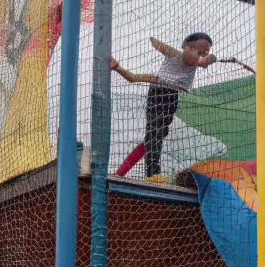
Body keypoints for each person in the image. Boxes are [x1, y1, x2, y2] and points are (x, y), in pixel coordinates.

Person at [108, 35, 253, 181]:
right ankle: (152, 174)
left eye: (204, 53)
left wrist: (208, 59)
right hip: (159, 92)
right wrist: (116, 67)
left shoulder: (195, 63)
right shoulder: (166, 67)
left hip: (173, 97)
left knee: (153, 139)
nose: (201, 56)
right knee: (154, 136)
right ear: (188, 47)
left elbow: (204, 61)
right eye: (198, 51)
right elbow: (136, 71)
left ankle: (121, 173)